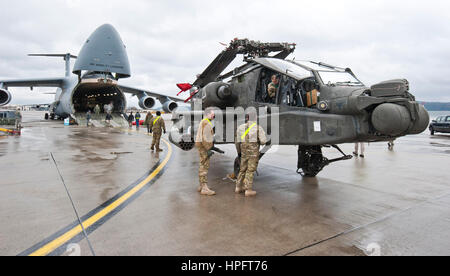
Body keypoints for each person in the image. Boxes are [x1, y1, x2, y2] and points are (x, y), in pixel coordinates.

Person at [235, 114, 267, 197]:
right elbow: (263, 141)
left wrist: (239, 152)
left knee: (242, 169)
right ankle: (248, 190)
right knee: (250, 170)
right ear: (256, 118)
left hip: (244, 153)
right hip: (253, 154)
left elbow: (237, 142)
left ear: (247, 118)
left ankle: (238, 187)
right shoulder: (258, 128)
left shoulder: (240, 127)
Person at [195, 108, 216, 196]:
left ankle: (201, 185)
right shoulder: (206, 123)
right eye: (212, 114)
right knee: (204, 167)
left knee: (202, 165)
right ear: (207, 114)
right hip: (204, 147)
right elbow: (205, 138)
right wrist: (208, 149)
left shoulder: (203, 121)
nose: (213, 115)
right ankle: (204, 188)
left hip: (201, 146)